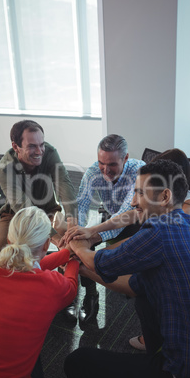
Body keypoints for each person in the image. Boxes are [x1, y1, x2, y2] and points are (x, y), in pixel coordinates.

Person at [64, 160, 190, 378]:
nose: (134, 201)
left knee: (77, 361)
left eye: (139, 193)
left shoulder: (161, 231)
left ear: (164, 197)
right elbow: (134, 286)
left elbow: (100, 261)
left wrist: (77, 246)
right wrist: (83, 269)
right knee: (144, 299)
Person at [0, 206, 79, 378]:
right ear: (46, 245)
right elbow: (71, 285)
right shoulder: (52, 287)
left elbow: (28, 265)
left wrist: (66, 253)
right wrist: (74, 257)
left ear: (10, 239)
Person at [64, 134, 145, 324]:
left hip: (138, 221)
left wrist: (92, 235)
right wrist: (75, 232)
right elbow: (81, 205)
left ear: (125, 158)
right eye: (102, 163)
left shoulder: (139, 171)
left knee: (87, 238)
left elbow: (127, 214)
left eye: (112, 165)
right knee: (80, 236)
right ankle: (91, 295)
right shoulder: (93, 171)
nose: (106, 170)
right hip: (111, 217)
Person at [0, 119, 77, 254]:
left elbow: (64, 183)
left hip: (49, 210)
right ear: (15, 146)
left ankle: (64, 275)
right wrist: (54, 238)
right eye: (32, 146)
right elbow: (25, 209)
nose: (39, 151)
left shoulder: (49, 152)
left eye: (41, 144)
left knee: (73, 239)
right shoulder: (3, 169)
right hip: (16, 214)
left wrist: (72, 220)